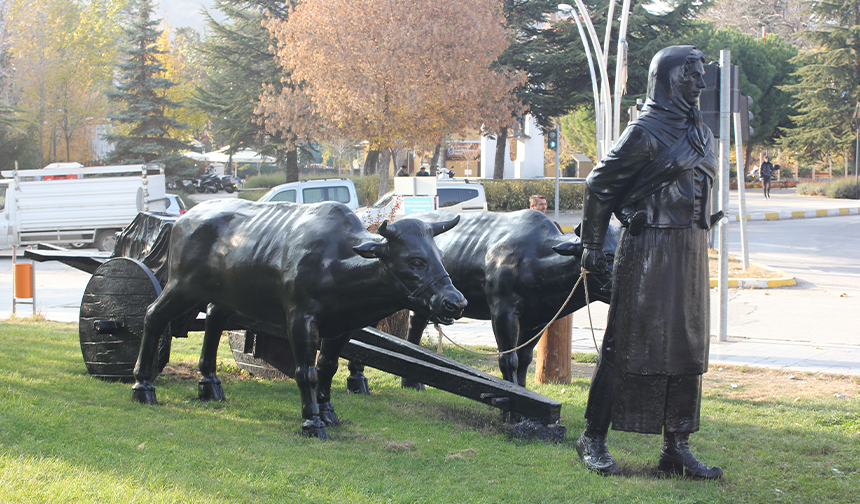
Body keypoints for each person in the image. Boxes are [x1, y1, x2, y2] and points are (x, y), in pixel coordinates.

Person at [576, 45, 723, 480]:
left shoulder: (702, 132)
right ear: (668, 78)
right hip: (648, 251)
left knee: (688, 346)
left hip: (691, 253)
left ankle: (676, 446)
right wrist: (592, 242)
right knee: (627, 344)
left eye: (702, 74)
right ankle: (593, 436)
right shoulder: (645, 131)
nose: (701, 82)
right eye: (691, 75)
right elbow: (598, 185)